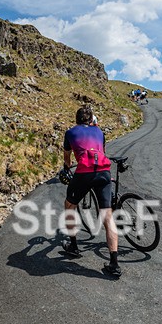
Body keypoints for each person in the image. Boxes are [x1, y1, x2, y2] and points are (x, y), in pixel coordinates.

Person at [61, 105, 121, 277]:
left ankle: (73, 246)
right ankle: (114, 264)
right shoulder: (99, 132)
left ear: (76, 119)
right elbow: (102, 151)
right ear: (91, 119)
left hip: (84, 172)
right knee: (107, 217)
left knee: (69, 205)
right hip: (103, 172)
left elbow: (67, 157)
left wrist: (67, 168)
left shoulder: (70, 132)